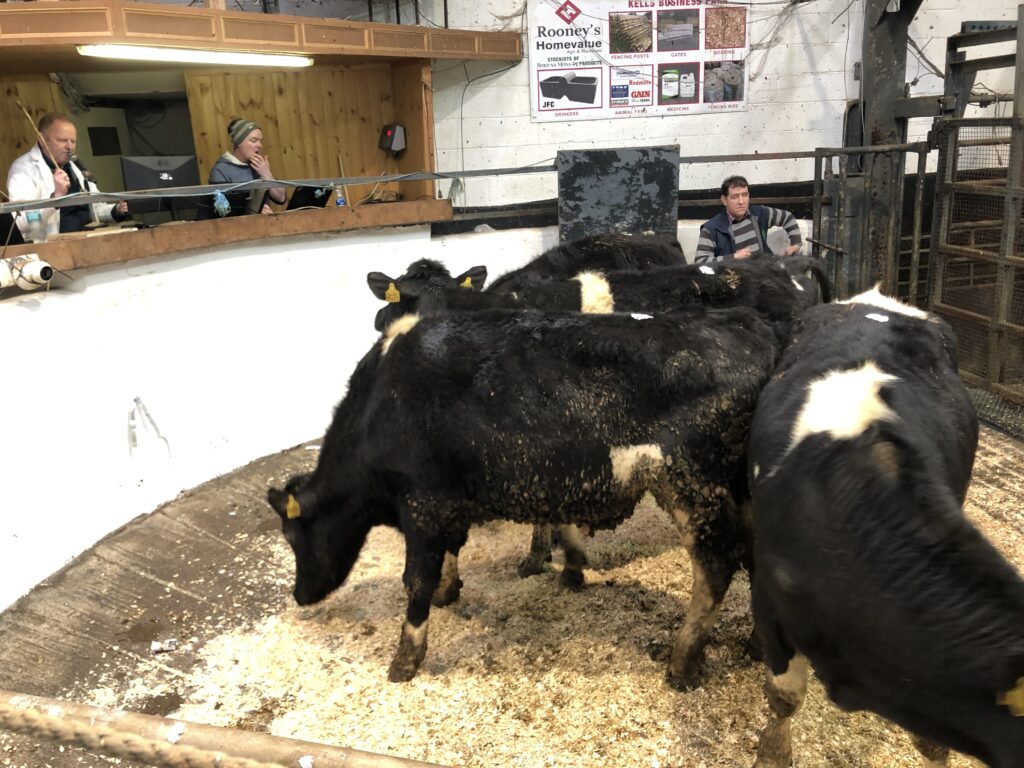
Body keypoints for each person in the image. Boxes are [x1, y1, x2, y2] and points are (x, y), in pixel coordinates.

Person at [6, 112, 129, 239]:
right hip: (55, 248)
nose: (69, 147)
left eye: (73, 141)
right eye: (62, 140)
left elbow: (93, 208)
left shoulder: (75, 167)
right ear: (41, 140)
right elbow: (23, 222)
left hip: (88, 239)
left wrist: (117, 210)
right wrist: (55, 198)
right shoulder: (23, 169)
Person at [694, 175, 803, 263]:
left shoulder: (759, 214)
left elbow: (787, 217)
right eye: (735, 197)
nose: (741, 201)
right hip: (735, 282)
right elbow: (700, 262)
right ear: (724, 200)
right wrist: (733, 257)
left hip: (765, 275)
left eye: (744, 195)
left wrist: (796, 244)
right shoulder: (711, 229)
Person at [199, 117, 286, 219]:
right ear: (239, 142)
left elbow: (281, 198)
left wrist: (267, 174)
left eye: (260, 141)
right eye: (254, 141)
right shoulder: (221, 170)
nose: (260, 145)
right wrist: (255, 214)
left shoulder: (259, 166)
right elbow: (223, 211)